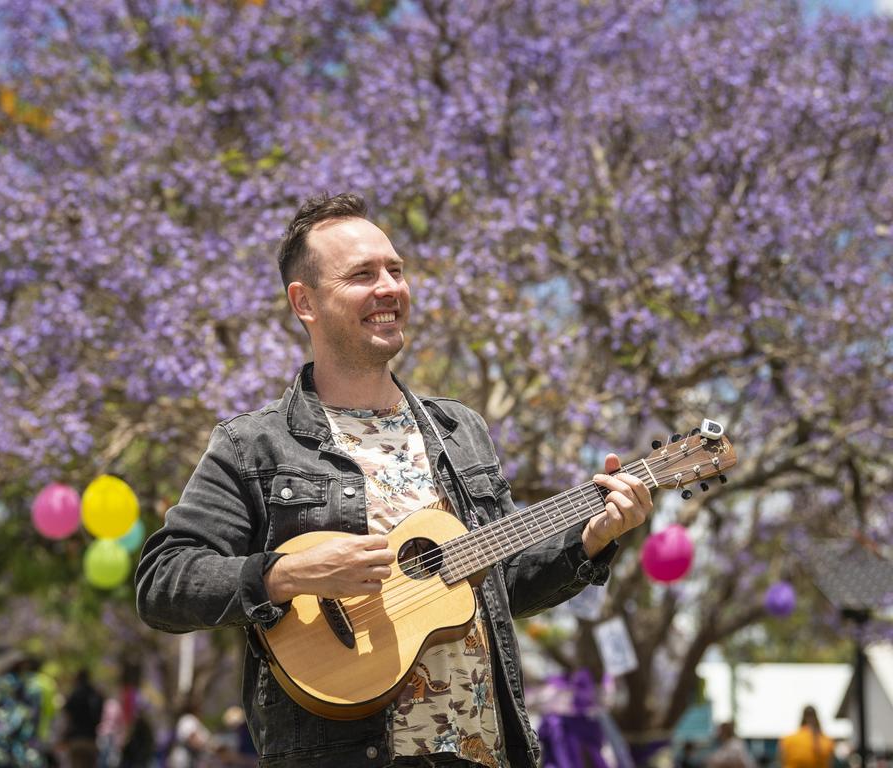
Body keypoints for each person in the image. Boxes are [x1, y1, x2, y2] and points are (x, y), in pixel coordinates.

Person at [135, 193, 652, 768]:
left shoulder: (461, 432)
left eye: (396, 270)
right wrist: (288, 574)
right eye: (362, 274)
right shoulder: (253, 446)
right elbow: (164, 581)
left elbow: (502, 586)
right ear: (304, 302)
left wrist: (592, 540)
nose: (390, 288)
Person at [62, 670, 105, 768]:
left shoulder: (74, 694)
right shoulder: (96, 694)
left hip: (77, 739)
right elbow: (100, 717)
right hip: (91, 740)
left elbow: (67, 717)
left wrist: (64, 737)